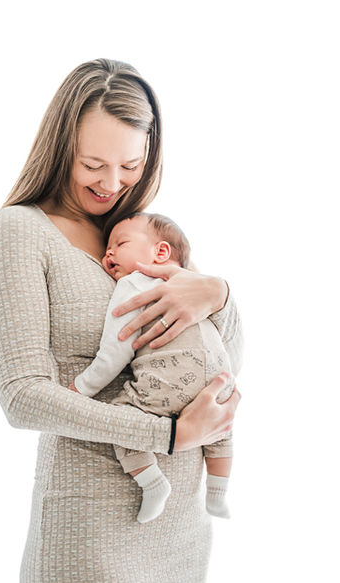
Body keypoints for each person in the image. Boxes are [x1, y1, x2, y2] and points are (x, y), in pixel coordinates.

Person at [0, 58, 243, 583]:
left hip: (183, 531)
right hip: (88, 531)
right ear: (61, 148)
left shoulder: (137, 236)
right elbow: (21, 396)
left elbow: (223, 361)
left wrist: (219, 294)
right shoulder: (20, 231)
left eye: (130, 164)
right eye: (92, 163)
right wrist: (167, 434)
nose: (112, 182)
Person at [68, 211, 239, 525]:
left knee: (123, 419)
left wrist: (83, 386)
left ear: (160, 252)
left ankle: (152, 483)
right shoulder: (195, 283)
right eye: (107, 248)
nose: (109, 253)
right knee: (220, 429)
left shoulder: (134, 283)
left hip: (171, 380)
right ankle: (217, 493)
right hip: (221, 378)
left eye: (120, 244)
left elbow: (117, 347)